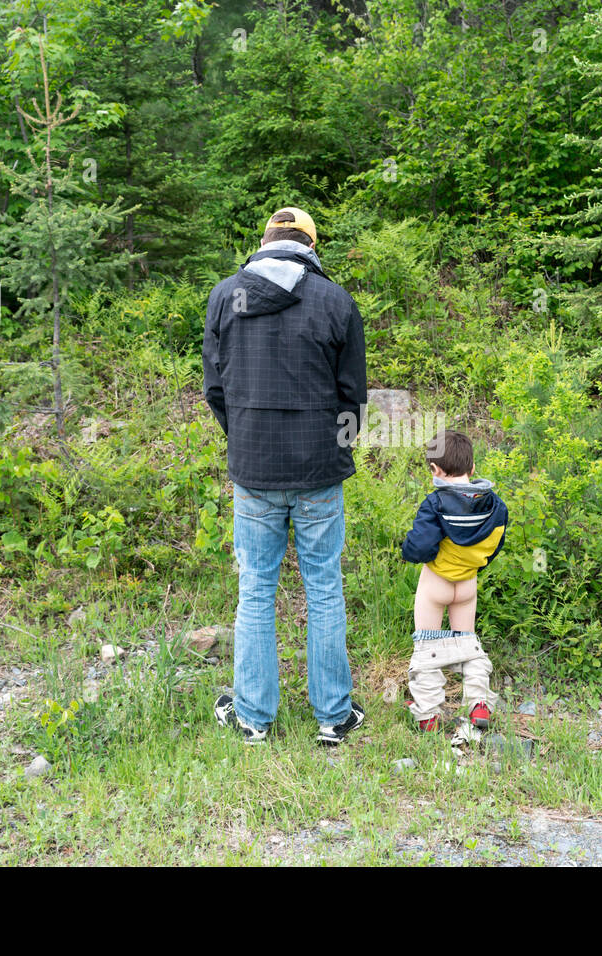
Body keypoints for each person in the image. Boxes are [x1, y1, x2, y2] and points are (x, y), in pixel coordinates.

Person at [202, 206, 367, 745]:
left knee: (255, 590)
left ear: (265, 241)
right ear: (311, 247)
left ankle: (252, 716)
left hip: (254, 467)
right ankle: (333, 717)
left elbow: (215, 388)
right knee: (323, 588)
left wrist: (245, 434)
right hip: (319, 469)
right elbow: (354, 399)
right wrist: (331, 450)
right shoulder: (336, 301)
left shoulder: (226, 296)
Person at [400, 429, 507, 732]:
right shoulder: (494, 505)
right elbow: (494, 544)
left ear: (435, 470)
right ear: (472, 469)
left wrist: (406, 550)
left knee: (427, 646)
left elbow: (420, 546)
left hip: (437, 584)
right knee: (466, 642)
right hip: (468, 584)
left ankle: (428, 712)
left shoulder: (435, 504)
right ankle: (479, 704)